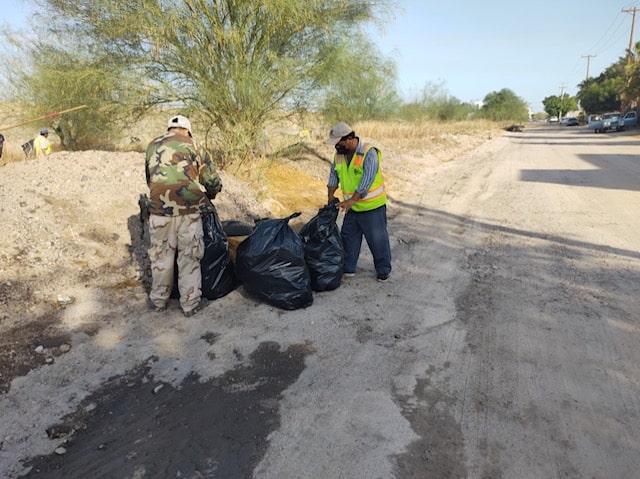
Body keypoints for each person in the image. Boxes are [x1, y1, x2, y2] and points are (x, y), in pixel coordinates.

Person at [145, 115, 222, 317]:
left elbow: (149, 178)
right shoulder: (194, 145)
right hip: (189, 211)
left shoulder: (152, 145)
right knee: (189, 257)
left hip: (158, 211)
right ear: (187, 131)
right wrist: (211, 195)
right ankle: (189, 304)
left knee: (161, 257)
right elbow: (211, 180)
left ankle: (159, 300)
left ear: (169, 129)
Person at [326, 122, 392, 282]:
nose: (336, 146)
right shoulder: (340, 155)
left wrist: (351, 200)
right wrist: (330, 195)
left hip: (372, 207)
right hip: (353, 208)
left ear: (349, 139)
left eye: (338, 142)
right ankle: (348, 268)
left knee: (377, 240)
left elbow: (367, 180)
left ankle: (383, 270)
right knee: (348, 238)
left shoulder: (369, 153)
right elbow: (334, 176)